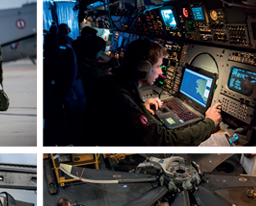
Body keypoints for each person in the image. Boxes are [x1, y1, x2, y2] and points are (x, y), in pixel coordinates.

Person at [84, 38, 222, 145]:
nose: (161, 72)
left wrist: (141, 107)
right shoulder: (120, 98)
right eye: (158, 66)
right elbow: (167, 141)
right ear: (144, 68)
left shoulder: (117, 82)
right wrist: (209, 123)